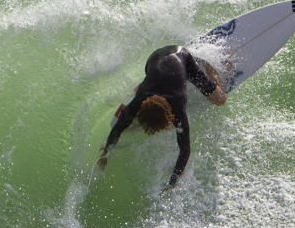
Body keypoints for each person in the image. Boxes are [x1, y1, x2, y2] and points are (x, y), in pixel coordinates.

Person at [97, 45, 226, 189]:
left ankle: (206, 64)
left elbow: (185, 150)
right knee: (128, 119)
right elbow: (119, 126)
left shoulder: (178, 107)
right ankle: (147, 81)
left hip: (182, 56)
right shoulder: (140, 100)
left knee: (220, 99)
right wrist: (106, 151)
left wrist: (172, 182)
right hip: (154, 58)